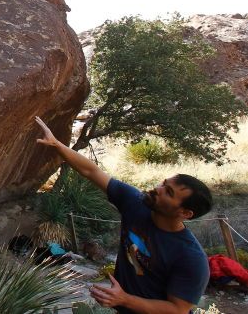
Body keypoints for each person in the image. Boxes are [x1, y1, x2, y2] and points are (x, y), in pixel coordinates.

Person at [34, 116, 212, 314]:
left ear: (185, 213)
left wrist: (124, 299)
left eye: (168, 192)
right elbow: (91, 171)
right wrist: (56, 144)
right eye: (163, 184)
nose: (158, 189)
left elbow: (177, 309)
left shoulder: (190, 258)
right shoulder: (136, 203)